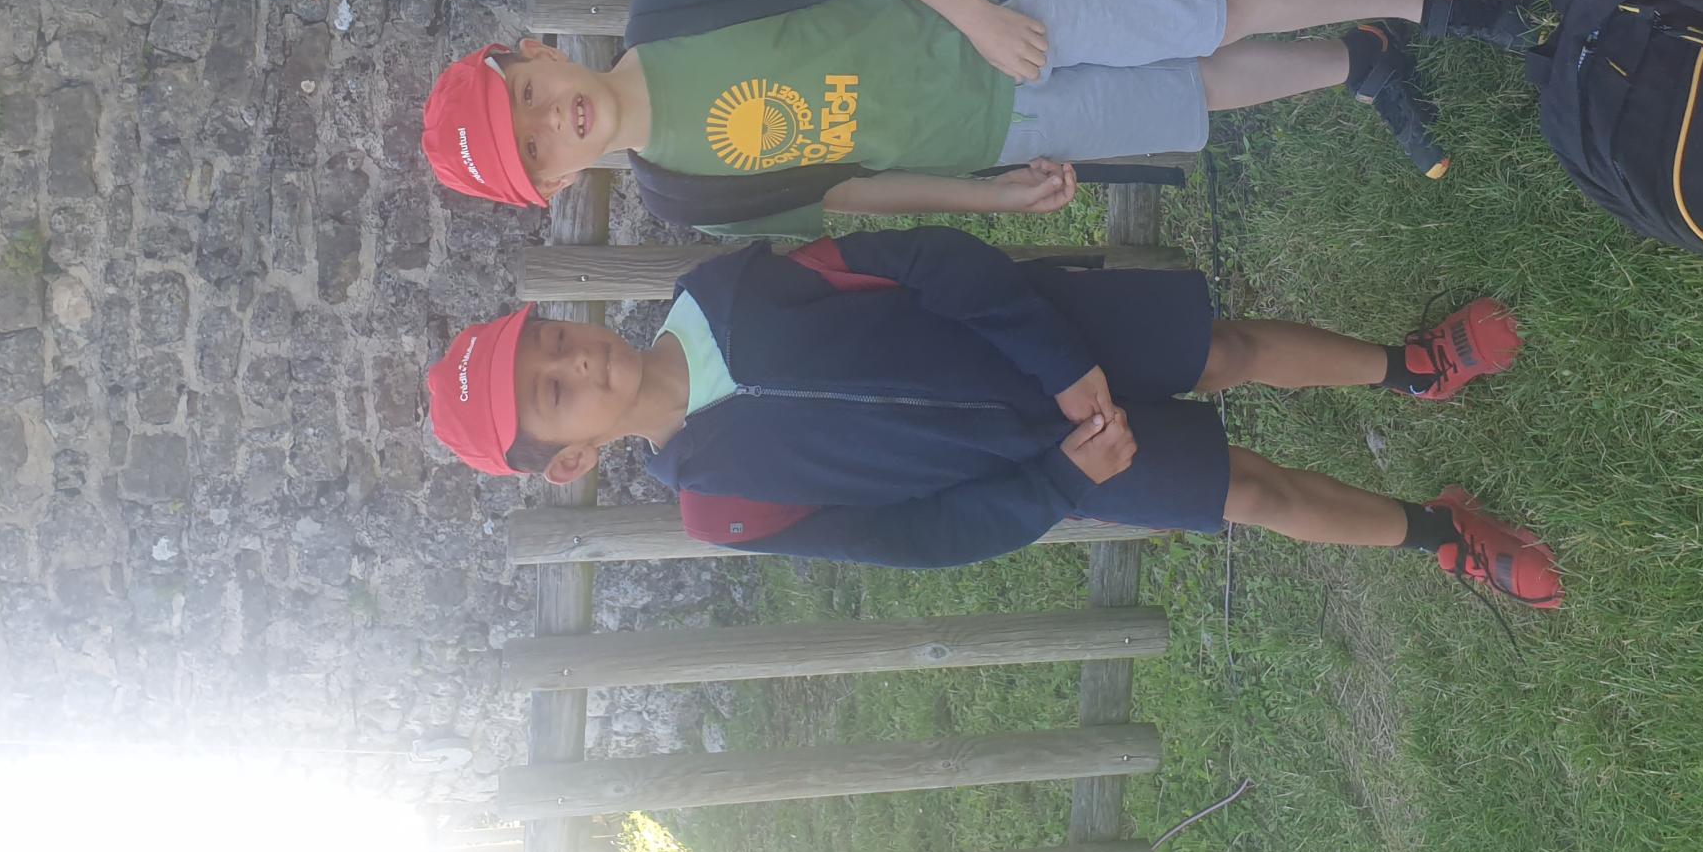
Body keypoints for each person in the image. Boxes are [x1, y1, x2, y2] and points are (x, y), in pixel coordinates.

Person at [422, 225, 1558, 604]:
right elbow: (915, 538)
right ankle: (1441, 533)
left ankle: (1413, 367)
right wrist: (1063, 479)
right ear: (569, 461)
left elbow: (922, 260)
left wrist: (1059, 359)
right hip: (1063, 461)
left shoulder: (721, 288)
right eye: (555, 392)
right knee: (1253, 492)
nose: (578, 358)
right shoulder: (722, 506)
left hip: (1047, 334)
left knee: (1229, 349)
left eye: (551, 340)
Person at [419, 0, 1540, 228]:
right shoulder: (679, 194)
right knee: (1190, 92)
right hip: (994, 135)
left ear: (533, 54)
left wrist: (972, 12)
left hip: (993, 20)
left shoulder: (668, 13)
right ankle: (1357, 64)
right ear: (553, 186)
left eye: (527, 98)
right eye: (533, 150)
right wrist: (986, 197)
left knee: (1205, 14)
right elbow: (845, 192)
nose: (552, 121)